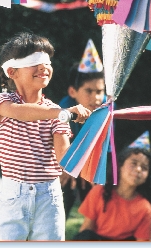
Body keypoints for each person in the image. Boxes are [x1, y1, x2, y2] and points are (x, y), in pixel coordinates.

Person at [0, 31, 91, 241]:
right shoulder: (3, 101)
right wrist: (65, 113)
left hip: (49, 196)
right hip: (14, 194)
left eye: (47, 61)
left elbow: (64, 156)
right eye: (34, 61)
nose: (44, 66)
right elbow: (22, 113)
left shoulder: (56, 111)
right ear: (11, 71)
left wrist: (92, 135)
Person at [73, 131, 151, 241]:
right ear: (120, 166)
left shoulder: (144, 208)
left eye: (144, 167)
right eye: (133, 163)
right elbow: (86, 230)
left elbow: (142, 241)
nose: (138, 169)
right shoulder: (99, 192)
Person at [58, 39, 107, 219]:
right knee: (63, 195)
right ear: (73, 92)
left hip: (91, 163)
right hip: (65, 163)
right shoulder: (64, 109)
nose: (95, 97)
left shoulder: (105, 110)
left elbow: (104, 144)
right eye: (89, 91)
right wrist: (69, 167)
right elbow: (60, 144)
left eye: (99, 91)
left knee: (97, 203)